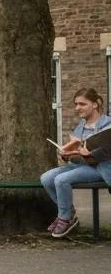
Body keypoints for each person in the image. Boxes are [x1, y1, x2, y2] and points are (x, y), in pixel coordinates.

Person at [41, 87, 111, 238]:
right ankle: (69, 213)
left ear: (95, 104)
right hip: (81, 165)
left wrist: (91, 153)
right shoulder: (80, 127)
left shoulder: (108, 125)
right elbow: (77, 157)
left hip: (100, 167)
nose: (77, 108)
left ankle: (64, 218)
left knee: (61, 179)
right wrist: (67, 155)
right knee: (46, 178)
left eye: (82, 104)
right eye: (76, 104)